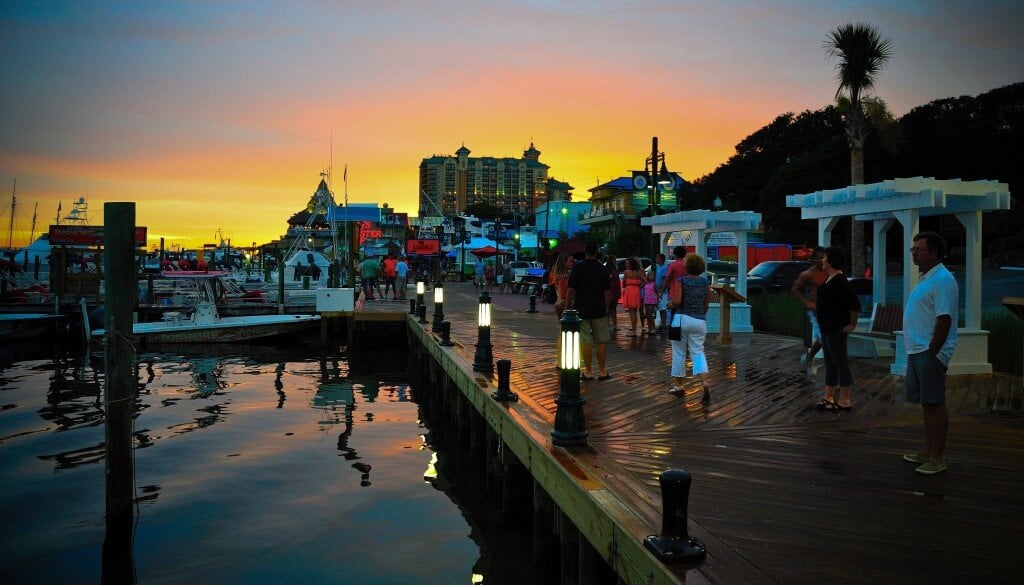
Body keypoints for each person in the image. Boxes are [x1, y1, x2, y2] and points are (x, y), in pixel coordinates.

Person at [902, 231, 958, 476]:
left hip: (928, 351)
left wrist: (933, 351)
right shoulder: (927, 278)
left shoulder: (943, 279)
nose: (914, 253)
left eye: (919, 249)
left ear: (934, 252)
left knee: (935, 402)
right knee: (927, 403)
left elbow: (944, 319)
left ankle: (937, 457)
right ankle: (928, 451)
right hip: (917, 350)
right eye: (913, 249)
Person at [812, 246, 861, 411]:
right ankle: (828, 397)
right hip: (826, 328)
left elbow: (854, 304)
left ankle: (845, 399)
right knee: (830, 363)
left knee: (840, 362)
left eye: (825, 257)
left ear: (831, 260)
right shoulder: (829, 278)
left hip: (836, 329)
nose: (822, 260)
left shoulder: (839, 281)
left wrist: (851, 324)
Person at [668, 253, 713, 401]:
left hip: (681, 319)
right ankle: (704, 382)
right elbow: (706, 304)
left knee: (679, 353)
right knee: (698, 352)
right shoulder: (706, 283)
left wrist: (670, 304)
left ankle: (679, 386)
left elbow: (678, 301)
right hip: (699, 321)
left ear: (687, 266)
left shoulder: (681, 280)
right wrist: (700, 313)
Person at [566, 241, 611, 381]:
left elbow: (570, 291)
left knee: (585, 340)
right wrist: (607, 307)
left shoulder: (578, 268)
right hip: (599, 309)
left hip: (582, 309)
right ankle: (603, 371)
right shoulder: (602, 269)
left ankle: (589, 371)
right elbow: (607, 292)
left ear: (585, 251)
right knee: (601, 341)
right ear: (597, 251)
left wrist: (567, 307)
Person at [791, 246, 827, 373]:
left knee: (826, 337)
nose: (823, 260)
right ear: (814, 259)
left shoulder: (831, 272)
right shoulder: (808, 274)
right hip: (814, 310)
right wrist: (807, 302)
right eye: (820, 258)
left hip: (828, 309)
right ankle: (811, 357)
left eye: (825, 257)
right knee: (823, 337)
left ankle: (809, 356)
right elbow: (795, 289)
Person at [621, 257, 646, 337]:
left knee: (632, 312)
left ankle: (634, 331)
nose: (626, 265)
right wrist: (639, 286)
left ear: (631, 264)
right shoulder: (638, 272)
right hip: (636, 291)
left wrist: (629, 284)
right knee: (634, 311)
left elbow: (624, 283)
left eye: (627, 263)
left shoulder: (626, 272)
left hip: (630, 291)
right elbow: (645, 281)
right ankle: (634, 330)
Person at [653, 253, 669, 332]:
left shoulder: (665, 268)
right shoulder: (657, 267)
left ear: (662, 260)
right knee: (659, 308)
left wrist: (660, 290)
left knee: (663, 308)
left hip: (662, 291)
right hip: (657, 290)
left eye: (657, 258)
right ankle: (662, 325)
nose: (656, 260)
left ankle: (664, 326)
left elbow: (664, 280)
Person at [605, 255, 620, 332]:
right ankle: (606, 325)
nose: (615, 261)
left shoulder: (615, 268)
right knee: (607, 308)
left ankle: (614, 325)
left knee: (613, 308)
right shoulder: (606, 269)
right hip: (610, 289)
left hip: (615, 290)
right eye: (613, 259)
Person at [642, 270, 658, 334]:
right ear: (648, 276)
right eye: (650, 276)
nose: (652, 277)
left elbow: (657, 293)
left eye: (653, 276)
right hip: (646, 301)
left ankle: (653, 329)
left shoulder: (654, 284)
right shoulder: (646, 284)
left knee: (650, 315)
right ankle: (649, 328)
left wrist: (657, 302)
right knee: (647, 315)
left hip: (652, 301)